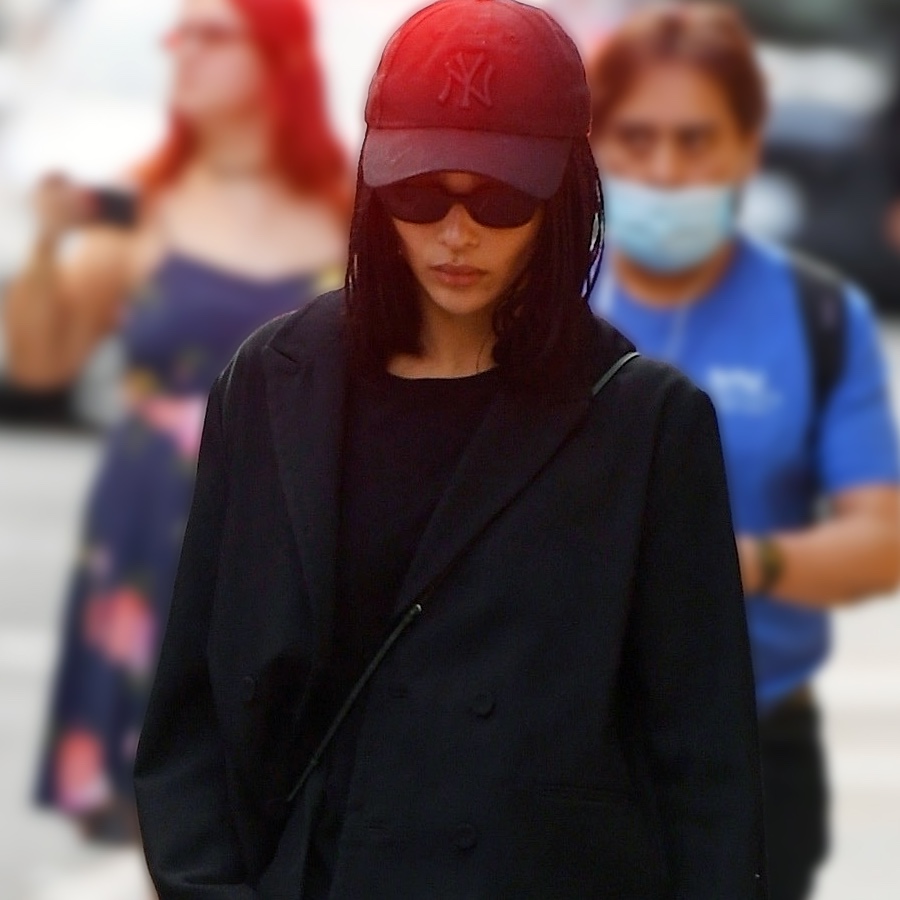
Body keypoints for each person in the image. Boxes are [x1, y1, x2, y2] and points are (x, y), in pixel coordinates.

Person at [134, 1, 767, 897]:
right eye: (420, 192)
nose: (457, 234)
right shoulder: (274, 385)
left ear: (567, 197)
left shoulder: (648, 424)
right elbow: (193, 711)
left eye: (502, 199)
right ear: (372, 186)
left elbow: (705, 772)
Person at [4, 0, 348, 844]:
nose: (180, 51)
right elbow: (41, 366)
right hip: (147, 535)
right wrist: (45, 249)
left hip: (289, 529)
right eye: (177, 32)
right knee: (152, 813)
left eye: (210, 34)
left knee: (278, 797)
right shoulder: (139, 204)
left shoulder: (343, 211)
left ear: (278, 58)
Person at [586, 5, 900, 900]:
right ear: (595, 144)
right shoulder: (547, 314)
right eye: (637, 139)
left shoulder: (817, 315)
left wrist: (740, 563)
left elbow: (881, 540)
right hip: (570, 743)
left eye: (697, 140)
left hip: (756, 746)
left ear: (749, 149)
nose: (667, 171)